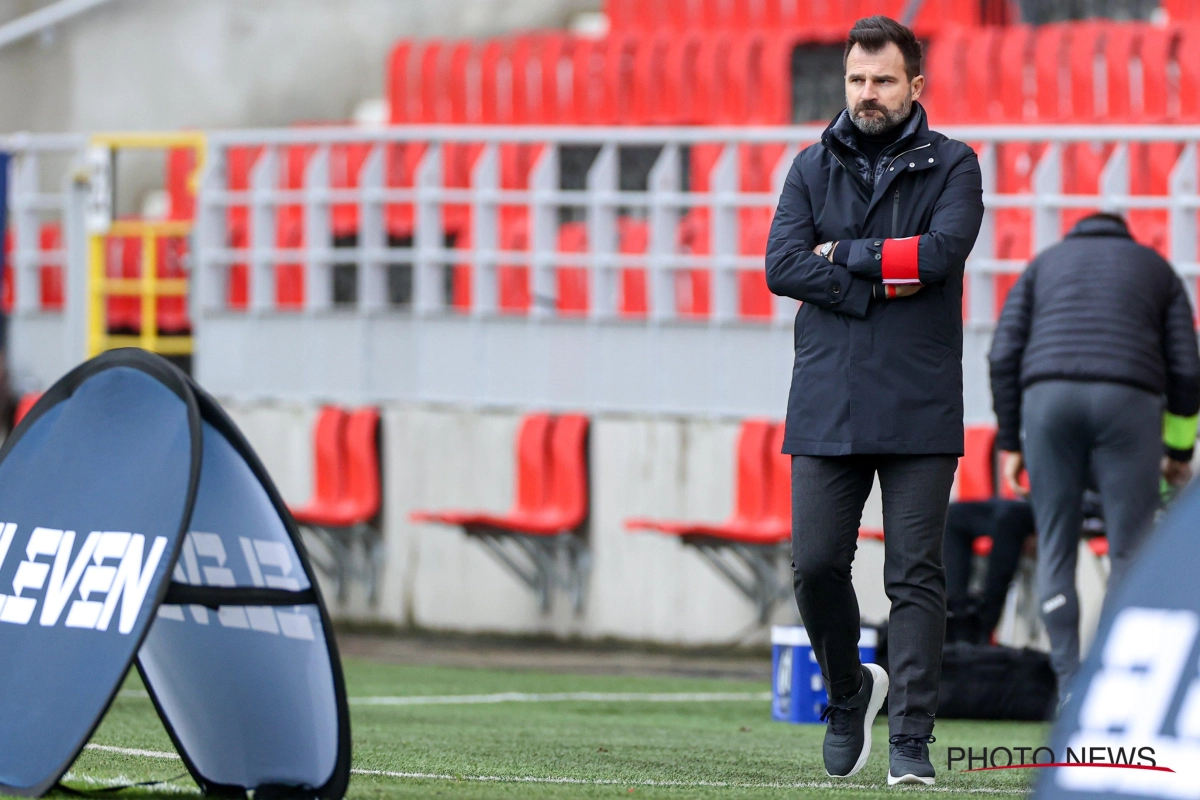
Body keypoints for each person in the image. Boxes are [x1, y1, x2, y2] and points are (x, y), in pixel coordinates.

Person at [765, 15, 984, 786]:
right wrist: (872, 286)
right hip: (827, 393)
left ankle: (912, 737)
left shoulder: (955, 166)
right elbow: (782, 265)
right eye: (858, 79)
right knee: (815, 565)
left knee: (914, 574)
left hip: (921, 399)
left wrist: (846, 258)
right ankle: (850, 691)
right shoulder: (807, 165)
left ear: (914, 85)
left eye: (883, 80)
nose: (867, 93)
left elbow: (940, 255)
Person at [988, 211, 1200, 701]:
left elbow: (1002, 355)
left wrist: (1011, 441)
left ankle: (1067, 687)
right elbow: (1187, 371)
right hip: (1130, 404)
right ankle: (1112, 687)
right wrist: (1178, 450)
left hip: (1048, 403)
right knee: (1130, 551)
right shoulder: (1157, 269)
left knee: (1057, 545)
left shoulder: (1043, 264)